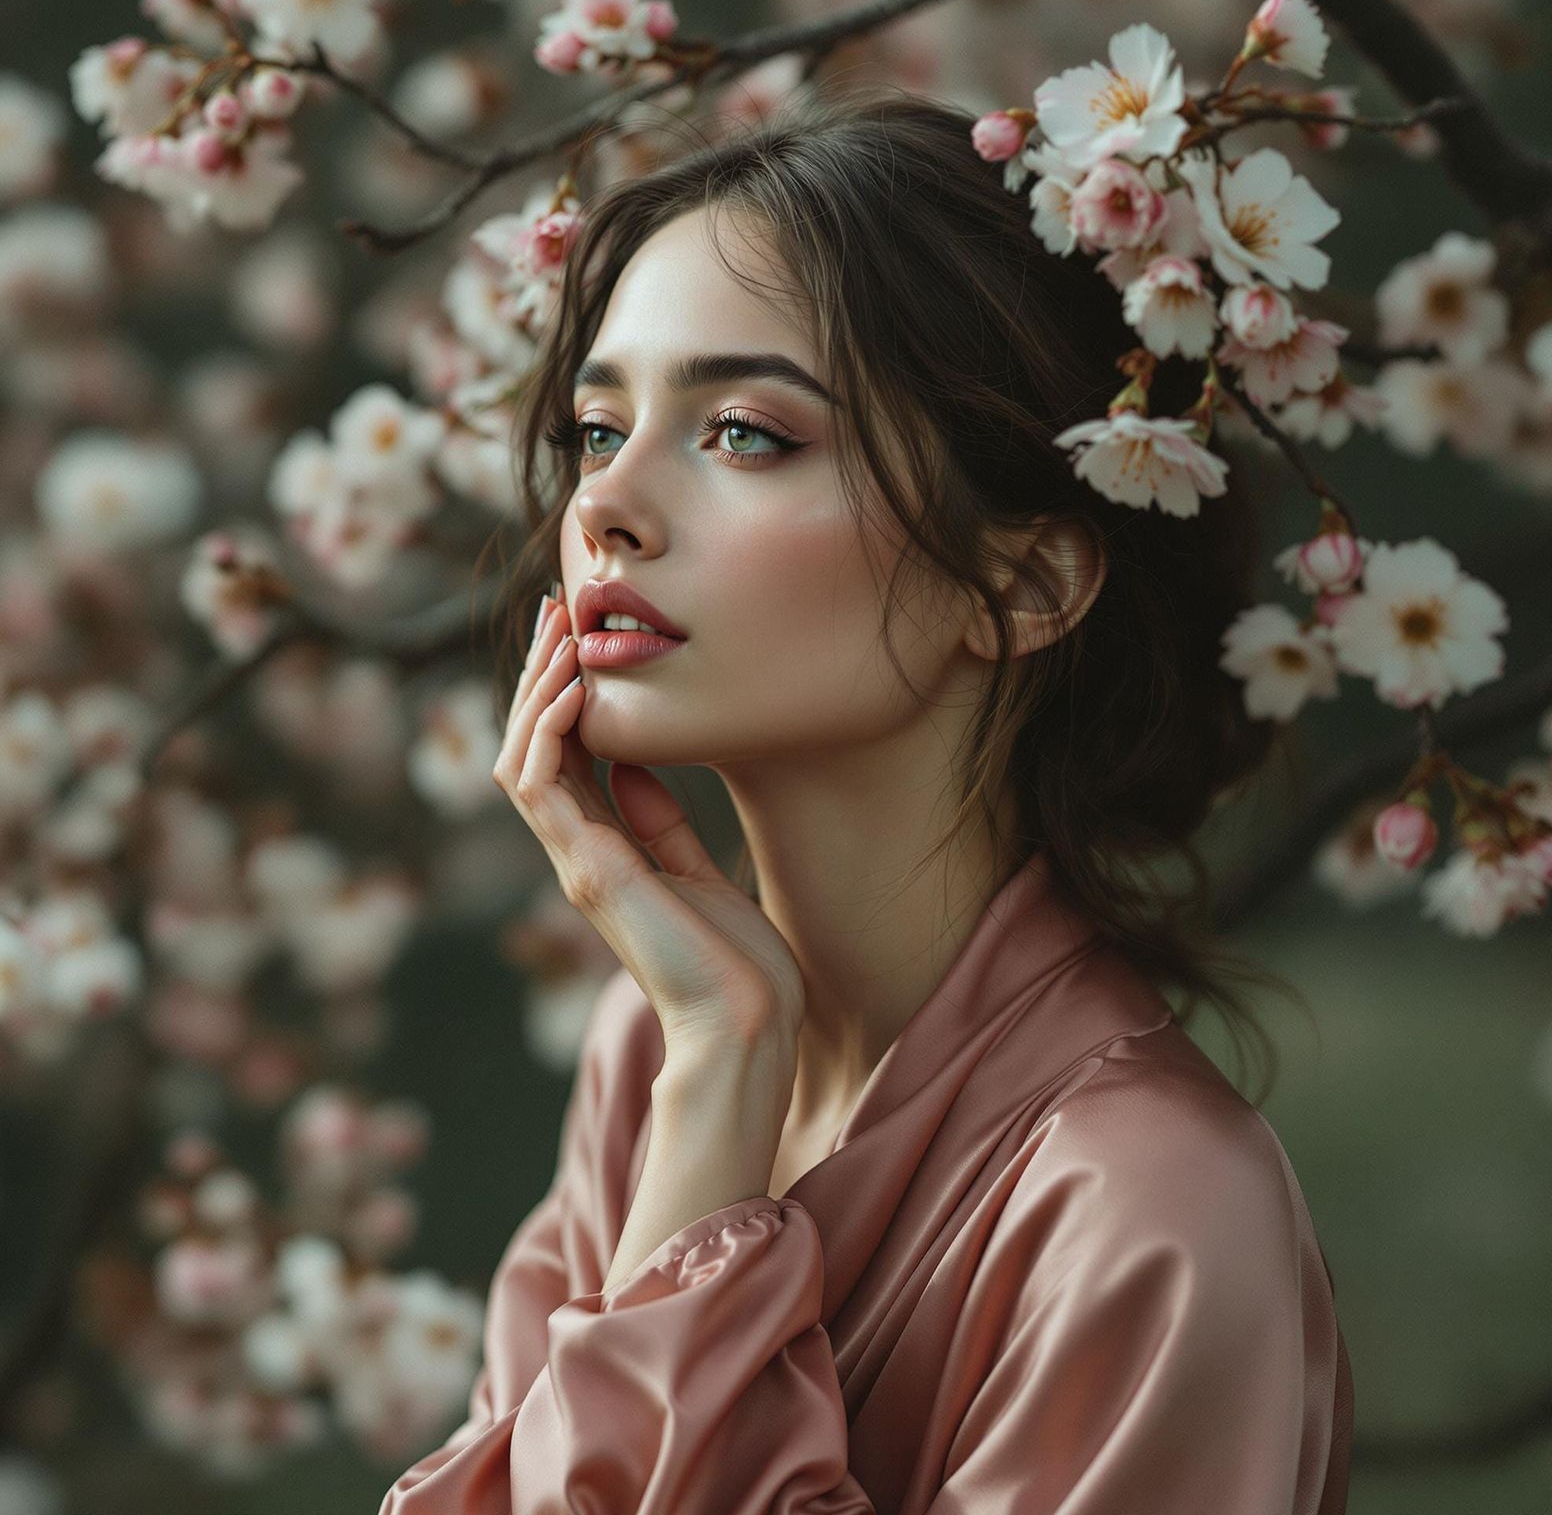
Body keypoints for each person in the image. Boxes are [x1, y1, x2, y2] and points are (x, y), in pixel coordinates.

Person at [381, 90, 1355, 1513]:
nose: (607, 507)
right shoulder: (655, 1050)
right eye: (599, 429)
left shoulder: (1147, 1203)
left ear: (1018, 584)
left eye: (745, 435)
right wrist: (714, 1074)